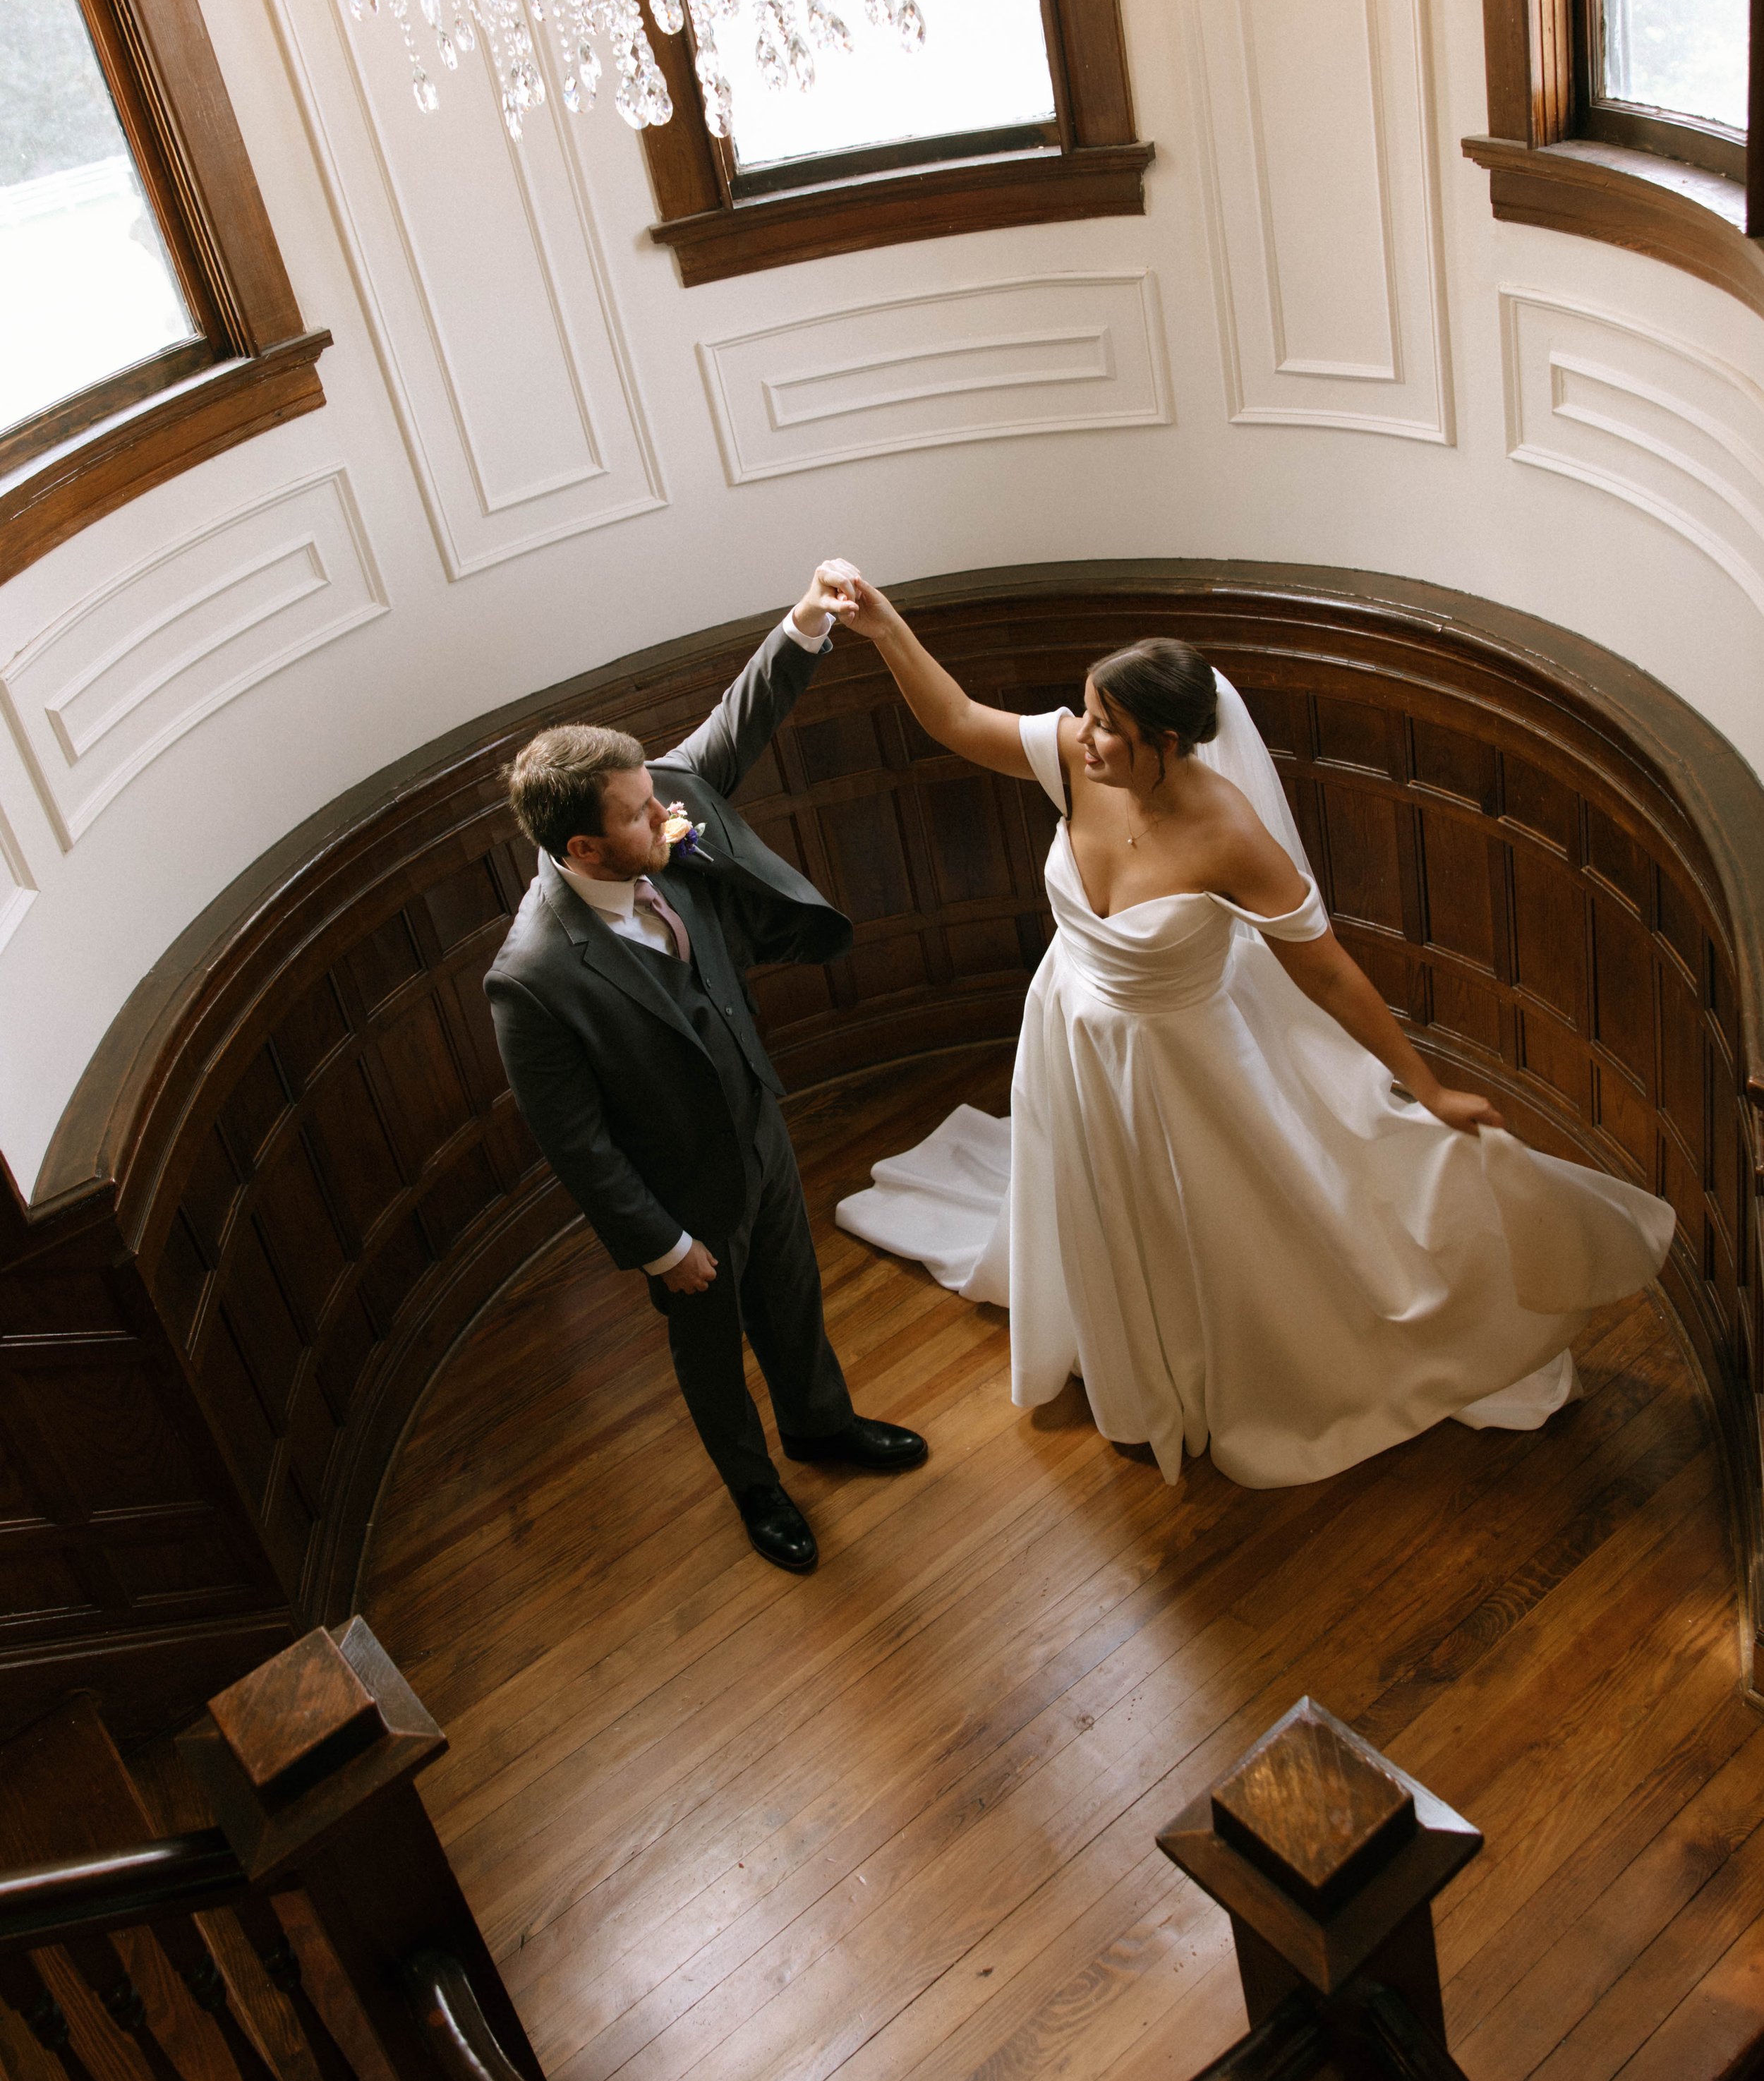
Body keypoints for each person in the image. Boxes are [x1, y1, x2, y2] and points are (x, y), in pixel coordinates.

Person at [833, 582, 1674, 1489]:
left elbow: (1326, 969)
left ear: (1169, 742)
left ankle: (1202, 1369)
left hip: (1179, 1072)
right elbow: (956, 718)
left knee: (1203, 1225)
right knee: (1101, 1201)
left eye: (1109, 724)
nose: (1084, 733)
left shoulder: (1229, 834)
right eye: (1085, 712)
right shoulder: (1080, 757)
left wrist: (1424, 1086)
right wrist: (887, 632)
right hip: (1069, 1041)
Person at [485, 563, 927, 1574]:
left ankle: (821, 1427)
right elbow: (578, 1142)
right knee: (713, 1357)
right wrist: (660, 1243)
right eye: (644, 817)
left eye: (657, 797)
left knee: (794, 1293)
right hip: (679, 1196)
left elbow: (733, 728)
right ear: (588, 848)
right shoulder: (533, 976)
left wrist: (810, 620)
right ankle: (757, 1487)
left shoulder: (654, 803)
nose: (670, 817)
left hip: (759, 1129)